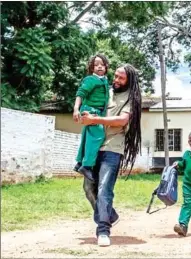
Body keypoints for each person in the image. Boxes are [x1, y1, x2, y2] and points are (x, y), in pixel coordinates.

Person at [78, 64, 142, 247]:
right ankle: (110, 214)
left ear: (129, 80)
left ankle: (103, 230)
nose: (116, 80)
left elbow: (122, 120)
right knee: (89, 188)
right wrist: (83, 112)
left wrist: (95, 120)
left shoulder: (131, 98)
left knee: (104, 188)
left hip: (113, 148)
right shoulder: (105, 91)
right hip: (93, 147)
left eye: (121, 78)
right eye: (115, 76)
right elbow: (88, 102)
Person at [73, 54, 110, 182]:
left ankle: (79, 162)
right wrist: (76, 109)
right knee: (98, 135)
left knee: (87, 136)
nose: (99, 66)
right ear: (92, 68)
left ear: (106, 66)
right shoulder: (90, 80)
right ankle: (87, 165)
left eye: (102, 64)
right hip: (90, 111)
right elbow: (80, 93)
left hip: (98, 111)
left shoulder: (104, 80)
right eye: (96, 64)